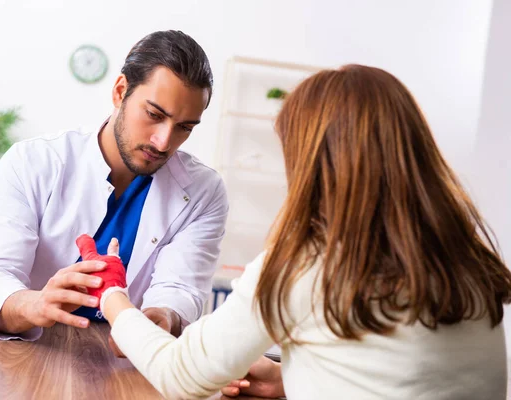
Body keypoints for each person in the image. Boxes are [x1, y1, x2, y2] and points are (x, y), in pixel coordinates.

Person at [96, 65, 511, 399]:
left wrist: (114, 296)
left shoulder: (308, 266)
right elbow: (400, 378)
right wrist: (289, 381)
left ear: (314, 161)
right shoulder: (467, 264)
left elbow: (180, 376)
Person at [0, 30, 228, 346]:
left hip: (128, 361)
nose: (164, 141)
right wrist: (35, 304)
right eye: (154, 115)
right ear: (120, 92)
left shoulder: (204, 192)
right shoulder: (33, 162)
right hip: (32, 350)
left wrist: (164, 318)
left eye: (184, 127)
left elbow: (181, 289)